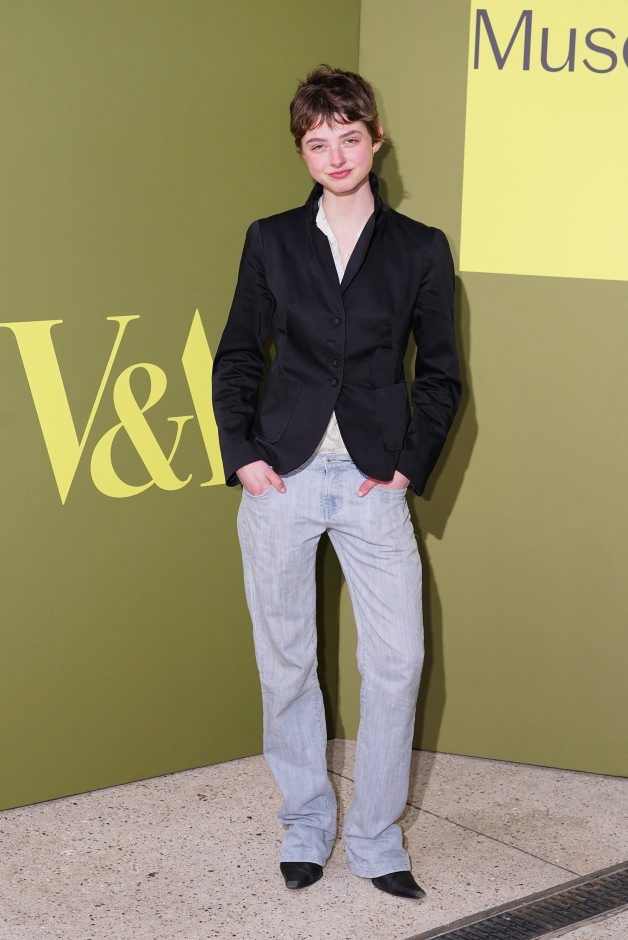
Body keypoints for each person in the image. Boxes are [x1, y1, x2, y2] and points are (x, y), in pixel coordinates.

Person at [211, 65, 461, 899]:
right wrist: (243, 455)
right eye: (318, 143)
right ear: (303, 152)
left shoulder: (420, 248)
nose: (337, 155)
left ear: (376, 140)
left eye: (350, 138)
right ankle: (307, 824)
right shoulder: (271, 239)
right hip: (279, 476)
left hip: (371, 480)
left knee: (398, 661)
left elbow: (442, 374)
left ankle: (378, 839)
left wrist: (405, 467)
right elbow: (238, 353)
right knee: (286, 663)